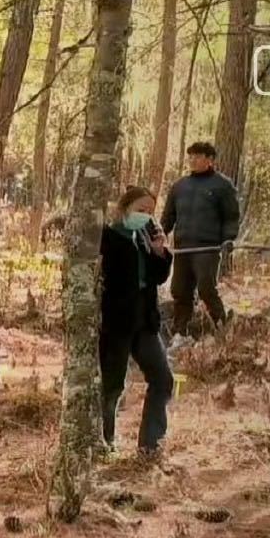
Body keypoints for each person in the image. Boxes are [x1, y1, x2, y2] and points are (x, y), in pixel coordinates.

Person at [99, 187, 175, 457]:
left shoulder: (145, 238)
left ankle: (150, 445)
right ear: (125, 208)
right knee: (111, 387)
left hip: (145, 322)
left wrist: (160, 253)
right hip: (115, 323)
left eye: (150, 212)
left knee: (163, 379)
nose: (146, 216)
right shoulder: (107, 237)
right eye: (141, 210)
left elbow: (157, 277)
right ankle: (104, 443)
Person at [160, 141, 241, 337]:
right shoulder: (179, 186)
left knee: (206, 288)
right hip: (182, 247)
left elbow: (231, 216)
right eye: (191, 156)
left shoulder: (222, 185)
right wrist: (159, 235)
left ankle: (221, 326)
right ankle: (181, 332)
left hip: (208, 248)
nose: (192, 160)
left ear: (210, 159)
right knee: (180, 290)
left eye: (197, 156)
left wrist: (228, 239)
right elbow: (168, 217)